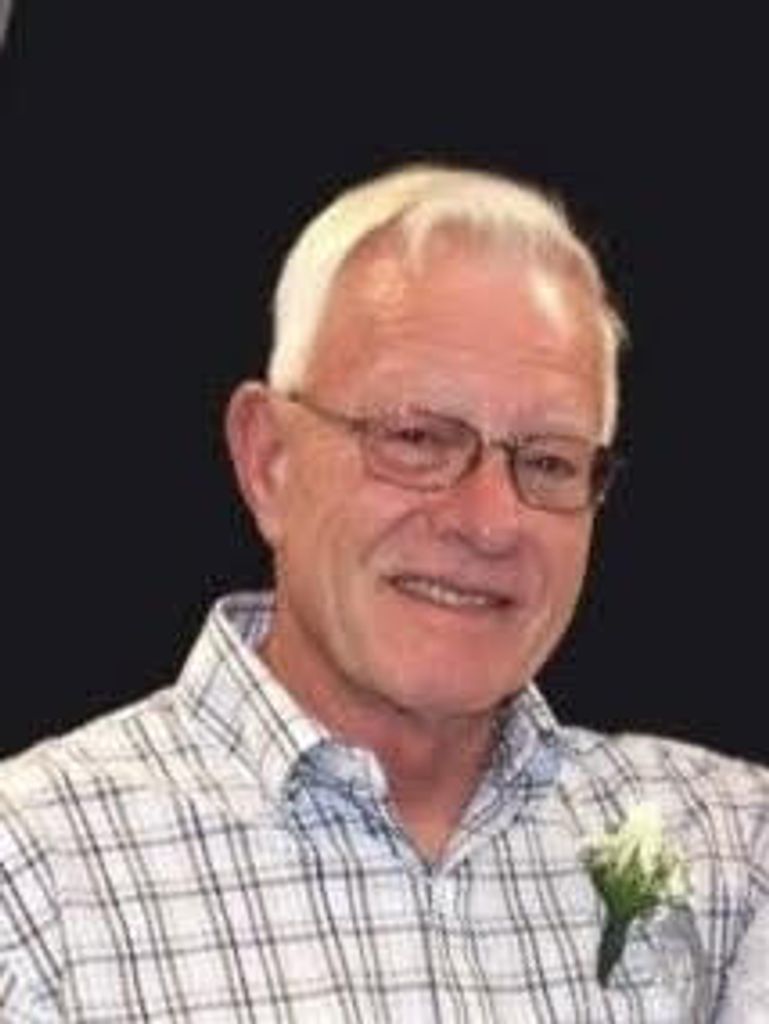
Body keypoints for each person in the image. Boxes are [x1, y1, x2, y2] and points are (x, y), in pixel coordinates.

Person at [0, 165, 766, 1022]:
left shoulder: (729, 853)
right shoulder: (33, 886)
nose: (488, 521)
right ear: (269, 461)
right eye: (416, 438)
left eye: (548, 461)